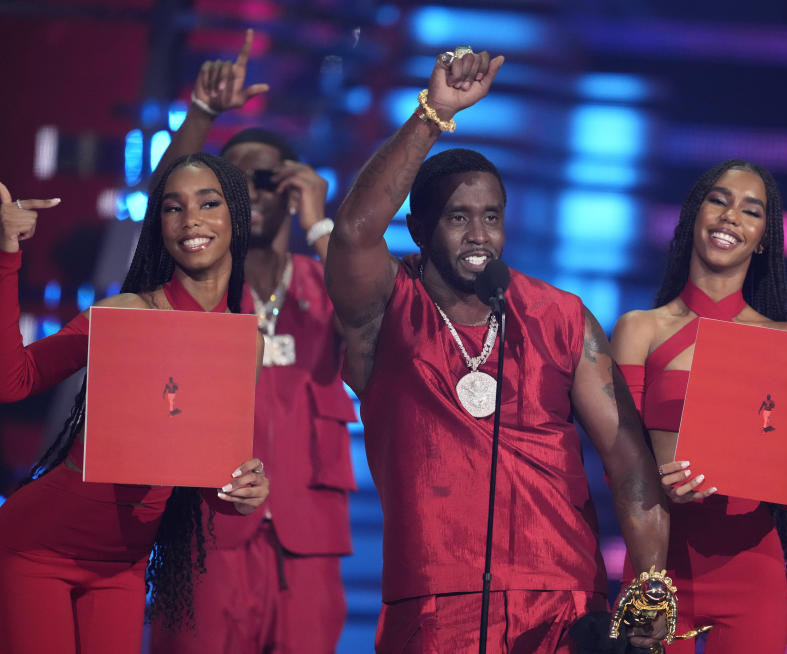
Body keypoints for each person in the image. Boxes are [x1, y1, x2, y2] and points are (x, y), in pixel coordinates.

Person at [325, 48, 669, 653]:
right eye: (458, 218)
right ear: (419, 230)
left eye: (491, 216)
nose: (479, 234)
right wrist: (434, 114)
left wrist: (648, 591)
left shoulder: (559, 316)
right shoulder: (387, 311)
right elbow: (354, 230)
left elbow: (628, 462)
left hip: (564, 602)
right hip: (434, 605)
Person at [0, 152, 270, 654]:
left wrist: (240, 493)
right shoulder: (123, 315)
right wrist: (6, 254)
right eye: (173, 208)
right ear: (159, 224)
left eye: (208, 203)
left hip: (122, 567)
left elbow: (206, 478)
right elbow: (13, 381)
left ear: (235, 214)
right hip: (36, 549)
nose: (190, 219)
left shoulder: (243, 342)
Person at [148, 29, 357, 654]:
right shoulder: (194, 284)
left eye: (267, 180)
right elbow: (163, 208)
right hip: (207, 534)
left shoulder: (327, 285)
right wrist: (203, 114)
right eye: (229, 185)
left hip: (309, 543)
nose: (251, 194)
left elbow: (384, 321)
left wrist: (322, 222)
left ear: (292, 188)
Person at [611, 160, 787, 653]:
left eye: (751, 210)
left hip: (751, 568)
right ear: (694, 216)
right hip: (659, 562)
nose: (730, 217)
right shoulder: (640, 330)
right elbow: (622, 462)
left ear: (763, 238)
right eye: (719, 201)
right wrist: (658, 485)